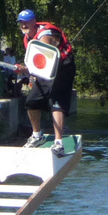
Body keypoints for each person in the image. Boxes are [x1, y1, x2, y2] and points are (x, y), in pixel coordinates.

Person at [16, 9, 75, 153]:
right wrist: (25, 68)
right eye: (21, 23)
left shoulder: (44, 37)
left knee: (56, 101)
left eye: (27, 22)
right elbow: (37, 64)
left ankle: (59, 143)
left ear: (34, 21)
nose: (24, 25)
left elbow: (45, 60)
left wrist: (26, 69)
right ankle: (37, 136)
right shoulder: (27, 39)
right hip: (45, 70)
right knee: (31, 102)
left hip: (63, 67)